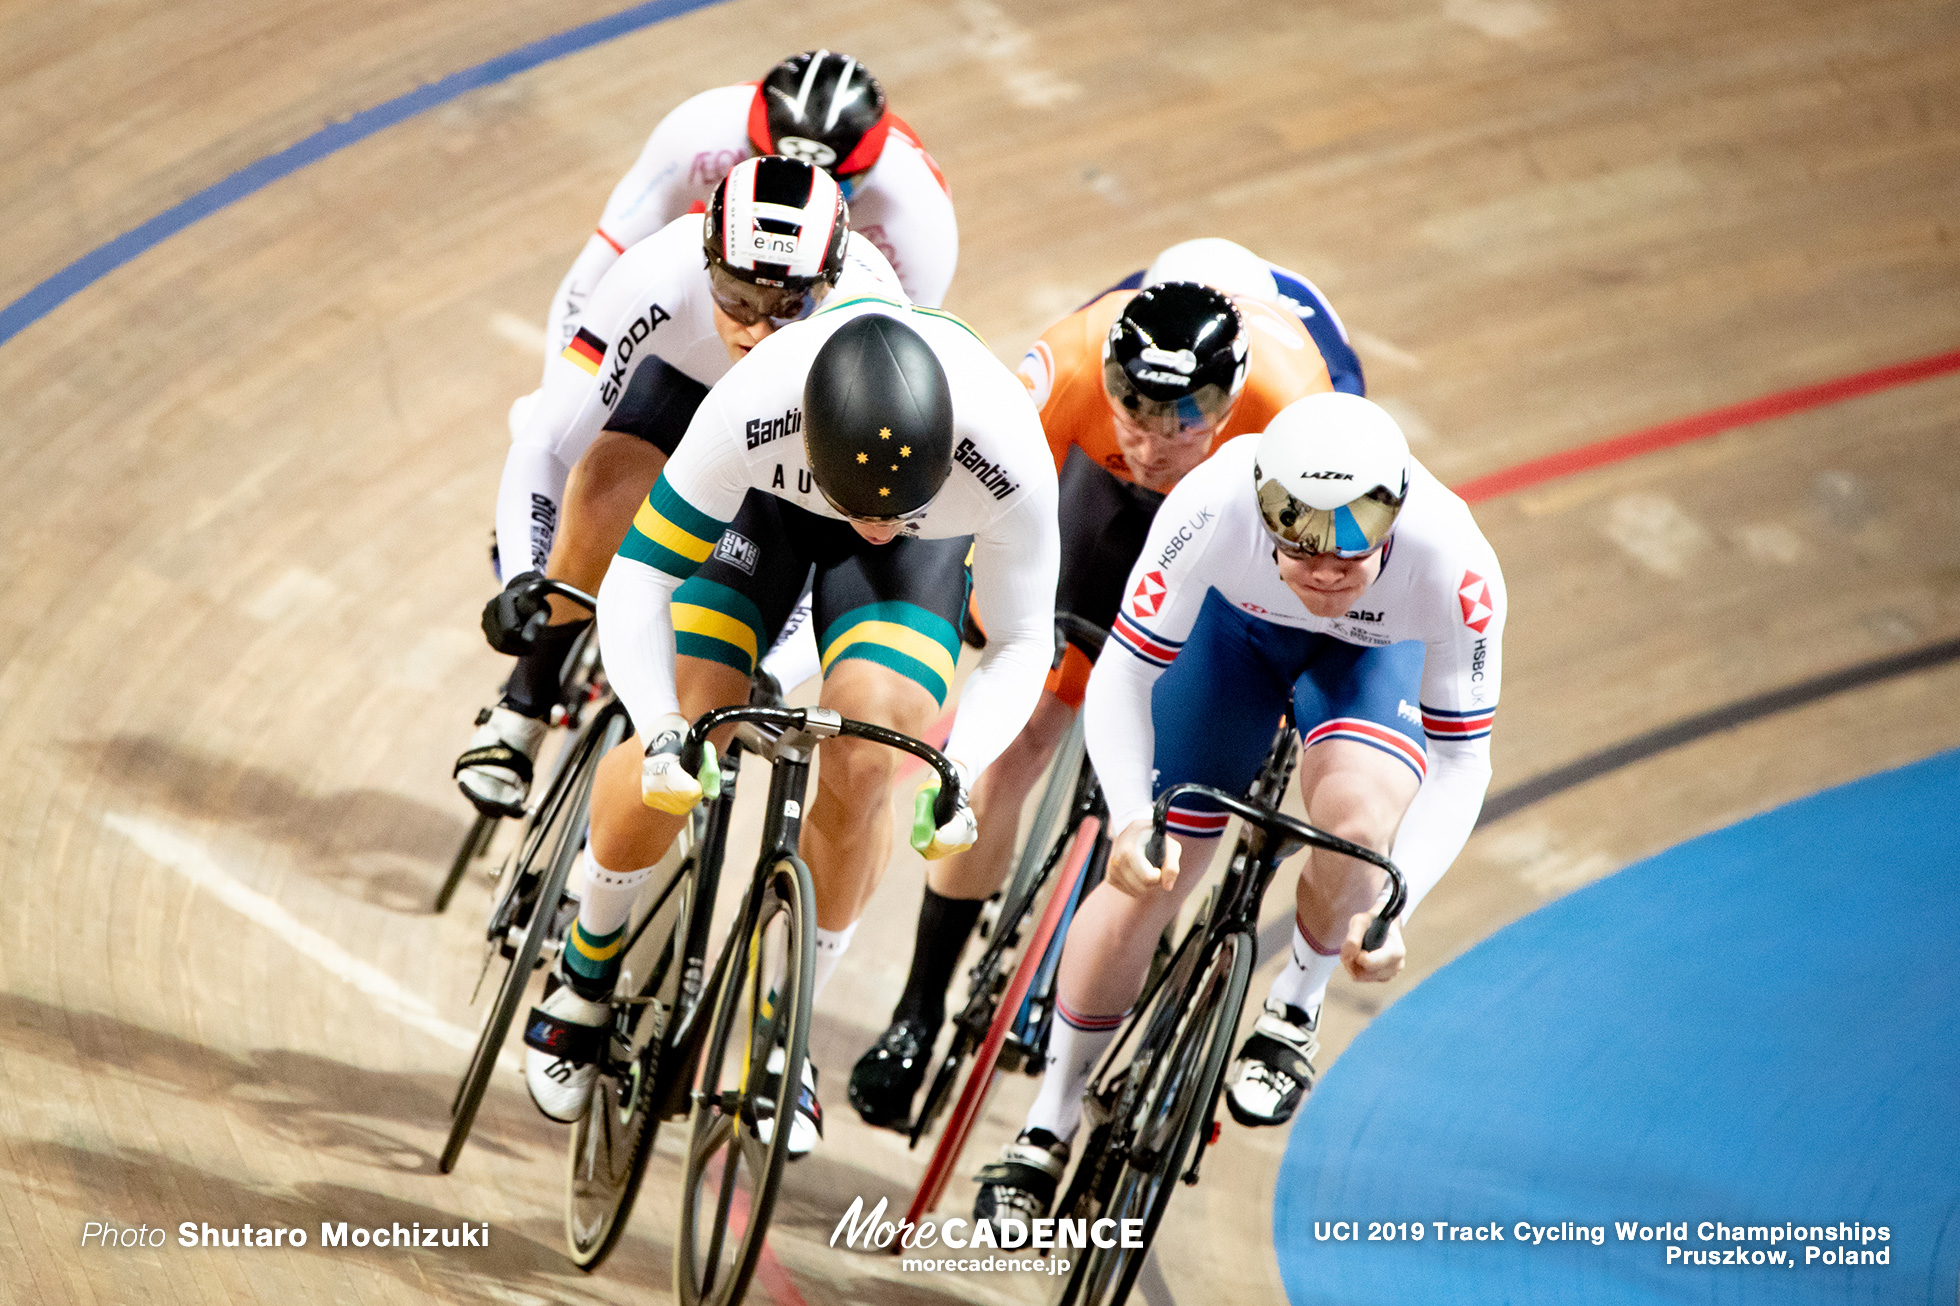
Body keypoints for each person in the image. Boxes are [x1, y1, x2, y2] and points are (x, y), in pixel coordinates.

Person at [518, 291, 1061, 1154]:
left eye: (896, 508)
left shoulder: (1006, 452)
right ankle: (586, 962)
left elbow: (1027, 639)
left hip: (917, 557)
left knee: (872, 754)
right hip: (764, 509)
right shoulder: (751, 405)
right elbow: (639, 581)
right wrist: (660, 722)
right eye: (863, 507)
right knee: (695, 717)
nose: (876, 527)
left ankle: (783, 1026)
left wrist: (960, 766)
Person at [848, 240, 1361, 1128]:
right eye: (1135, 406)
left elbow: (1317, 579)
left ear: (1232, 393)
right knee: (1019, 738)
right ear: (1118, 363)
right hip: (1107, 494)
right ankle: (916, 1014)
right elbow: (980, 491)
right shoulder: (1074, 363)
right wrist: (989, 602)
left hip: (1246, 525)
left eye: (1183, 417)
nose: (1153, 438)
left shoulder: (1297, 407)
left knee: (1201, 739)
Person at [970, 392, 1505, 1232]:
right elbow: (1125, 673)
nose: (1326, 573)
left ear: (1395, 518)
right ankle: (1048, 1121)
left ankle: (1295, 1004)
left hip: (1371, 665)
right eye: (1300, 550)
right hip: (1234, 639)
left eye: (1351, 555)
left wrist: (1398, 905)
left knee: (1358, 830)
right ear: (1265, 510)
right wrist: (1129, 819)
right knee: (1150, 873)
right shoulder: (1213, 502)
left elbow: (1462, 758)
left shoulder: (1454, 559)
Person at [456, 156, 910, 816]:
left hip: (794, 427)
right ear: (707, 258)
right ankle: (525, 702)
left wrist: (777, 673)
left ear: (831, 282)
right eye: (735, 297)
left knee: (748, 613)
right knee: (604, 492)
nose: (756, 329)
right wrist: (525, 575)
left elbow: (851, 539)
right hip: (681, 388)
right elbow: (547, 443)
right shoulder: (656, 271)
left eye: (788, 306)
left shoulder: (872, 317)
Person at [541, 47, 956, 374]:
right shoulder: (700, 130)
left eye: (837, 186)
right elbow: (599, 268)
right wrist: (562, 381)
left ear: (870, 171)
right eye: (768, 169)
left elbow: (892, 355)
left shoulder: (918, 213)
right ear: (747, 142)